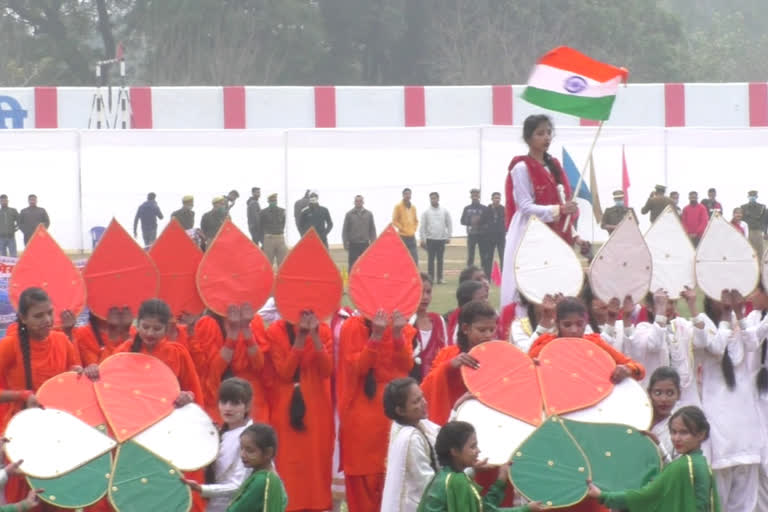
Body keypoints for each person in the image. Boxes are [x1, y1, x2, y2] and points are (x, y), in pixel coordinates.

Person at [501, 115, 590, 312]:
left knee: (556, 285)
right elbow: (524, 206)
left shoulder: (554, 166)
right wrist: (558, 210)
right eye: (540, 133)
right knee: (530, 287)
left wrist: (575, 236)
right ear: (528, 138)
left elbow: (562, 205)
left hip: (556, 233)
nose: (546, 137)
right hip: (529, 233)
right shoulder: (521, 168)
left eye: (549, 133)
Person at [338, 310, 415, 512]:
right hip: (361, 418)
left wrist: (397, 334)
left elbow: (406, 366)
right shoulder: (352, 327)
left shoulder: (401, 326)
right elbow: (360, 368)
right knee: (364, 484)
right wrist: (376, 336)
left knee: (393, 479)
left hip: (392, 416)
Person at [696, 291, 762, 511]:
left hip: (746, 426)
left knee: (746, 501)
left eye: (729, 293)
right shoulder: (702, 323)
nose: (724, 299)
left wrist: (739, 313)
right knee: (720, 498)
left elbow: (752, 343)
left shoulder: (744, 322)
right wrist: (725, 320)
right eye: (719, 293)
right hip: (718, 424)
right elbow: (716, 347)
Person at [587, 406, 720, 511]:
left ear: (701, 434)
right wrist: (658, 445)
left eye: (684, 432)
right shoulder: (701, 463)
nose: (676, 438)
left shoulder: (685, 466)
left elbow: (646, 496)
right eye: (673, 432)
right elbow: (672, 471)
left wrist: (603, 496)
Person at [266, 311, 334, 512]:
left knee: (316, 467)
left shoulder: (323, 330)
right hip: (286, 410)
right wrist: (301, 338)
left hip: (317, 411)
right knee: (290, 468)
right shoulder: (276, 331)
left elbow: (327, 370)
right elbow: (286, 373)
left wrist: (314, 335)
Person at [417, 421, 543, 512]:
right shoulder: (456, 482)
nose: (478, 451)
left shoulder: (444, 476)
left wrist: (501, 480)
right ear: (454, 451)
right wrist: (526, 509)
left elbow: (481, 508)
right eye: (472, 446)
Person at [529, 297, 645, 383]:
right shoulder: (545, 346)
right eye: (567, 325)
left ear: (586, 323)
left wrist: (627, 369)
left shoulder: (595, 344)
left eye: (579, 324)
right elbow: (523, 370)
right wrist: (533, 368)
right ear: (557, 324)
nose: (574, 330)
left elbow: (638, 369)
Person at [182, 378, 254, 512]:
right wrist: (188, 406)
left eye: (235, 403)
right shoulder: (222, 432)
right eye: (224, 402)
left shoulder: (251, 438)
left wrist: (202, 489)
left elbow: (239, 485)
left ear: (247, 406)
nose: (228, 408)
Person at [421, 300, 497, 426]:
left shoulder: (498, 354)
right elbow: (426, 388)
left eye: (492, 329)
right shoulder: (448, 354)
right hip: (455, 422)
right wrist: (448, 367)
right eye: (482, 330)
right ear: (465, 328)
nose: (488, 335)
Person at [193, 304, 270, 425]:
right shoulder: (208, 323)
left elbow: (259, 365)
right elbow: (215, 370)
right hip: (221, 397)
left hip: (251, 399)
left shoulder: (255, 321)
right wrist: (232, 335)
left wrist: (246, 329)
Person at [381, 377, 439, 512]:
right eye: (416, 401)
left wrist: (456, 410)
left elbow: (442, 436)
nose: (424, 402)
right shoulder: (410, 439)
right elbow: (429, 485)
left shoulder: (416, 423)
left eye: (422, 397)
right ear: (400, 411)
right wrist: (467, 471)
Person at [223, 423, 288, 511]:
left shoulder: (262, 481)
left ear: (268, 452)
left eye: (250, 451)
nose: (242, 455)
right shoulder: (272, 477)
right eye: (241, 448)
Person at [410, 274, 448, 382]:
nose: (425, 297)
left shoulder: (438, 320)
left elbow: (446, 351)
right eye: (421, 292)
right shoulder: (404, 323)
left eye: (428, 292)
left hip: (435, 381)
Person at [647, 366, 682, 464]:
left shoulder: (679, 430)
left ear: (679, 394)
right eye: (658, 393)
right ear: (649, 393)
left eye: (670, 393)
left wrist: (658, 445)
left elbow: (676, 472)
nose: (664, 399)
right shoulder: (637, 420)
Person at [420, 192, 452, 285]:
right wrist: (423, 239)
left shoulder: (444, 211)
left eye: (434, 198)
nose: (433, 200)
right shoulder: (426, 212)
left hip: (441, 239)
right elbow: (423, 226)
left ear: (438, 199)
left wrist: (448, 236)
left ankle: (440, 278)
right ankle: (431, 279)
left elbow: (449, 224)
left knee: (440, 260)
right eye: (431, 198)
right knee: (430, 260)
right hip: (430, 239)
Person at [342, 195, 377, 269]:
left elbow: (372, 229)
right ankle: (351, 280)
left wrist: (373, 242)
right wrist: (345, 243)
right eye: (356, 201)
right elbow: (345, 230)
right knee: (352, 265)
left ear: (363, 202)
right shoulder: (349, 214)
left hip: (365, 244)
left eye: (360, 201)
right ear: (354, 202)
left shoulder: (369, 214)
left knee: (366, 265)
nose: (358, 202)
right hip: (353, 244)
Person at [460, 189, 487, 269]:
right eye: (473, 195)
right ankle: (469, 271)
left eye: (476, 195)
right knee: (471, 255)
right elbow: (462, 221)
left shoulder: (484, 208)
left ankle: (484, 270)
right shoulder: (467, 208)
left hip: (482, 235)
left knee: (483, 254)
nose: (475, 197)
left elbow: (487, 221)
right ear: (471, 196)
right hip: (471, 234)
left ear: (479, 196)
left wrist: (480, 221)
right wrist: (470, 221)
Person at [481, 192, 506, 277]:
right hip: (489, 238)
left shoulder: (503, 209)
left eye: (498, 198)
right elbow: (482, 221)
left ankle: (504, 276)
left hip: (501, 237)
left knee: (503, 257)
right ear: (492, 199)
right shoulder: (487, 210)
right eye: (495, 198)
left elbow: (507, 221)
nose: (497, 200)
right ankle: (487, 276)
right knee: (488, 258)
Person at [260, 193, 288, 267]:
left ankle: (281, 278)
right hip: (269, 238)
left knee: (283, 262)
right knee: (268, 262)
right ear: (268, 202)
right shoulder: (263, 212)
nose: (273, 202)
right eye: (272, 201)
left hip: (280, 238)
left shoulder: (282, 211)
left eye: (275, 200)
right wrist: (262, 239)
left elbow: (283, 223)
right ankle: (267, 278)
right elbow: (260, 226)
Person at [392, 188, 419, 264]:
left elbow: (416, 221)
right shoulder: (398, 206)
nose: (407, 195)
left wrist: (414, 229)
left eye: (409, 194)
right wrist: (402, 228)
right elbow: (394, 221)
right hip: (402, 237)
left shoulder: (413, 207)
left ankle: (414, 275)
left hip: (412, 236)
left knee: (414, 259)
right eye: (406, 194)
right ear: (403, 195)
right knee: (402, 259)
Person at [741, 190, 767, 257]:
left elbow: (765, 221)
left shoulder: (762, 207)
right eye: (751, 196)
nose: (752, 197)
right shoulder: (743, 207)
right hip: (747, 232)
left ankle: (760, 267)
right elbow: (741, 221)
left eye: (753, 196)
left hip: (759, 232)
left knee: (760, 252)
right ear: (748, 197)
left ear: (756, 197)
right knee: (748, 251)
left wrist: (765, 232)